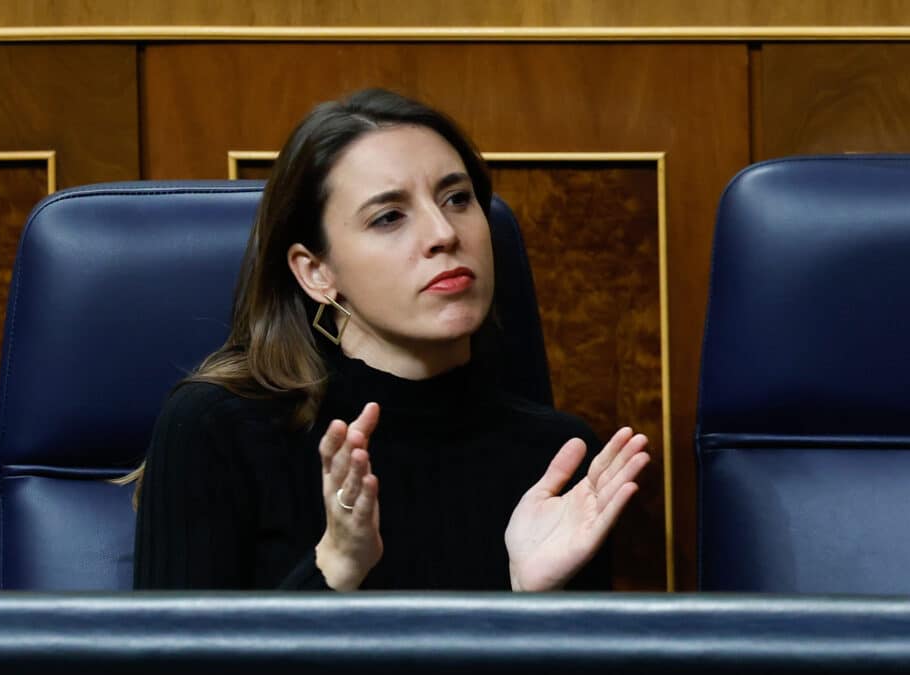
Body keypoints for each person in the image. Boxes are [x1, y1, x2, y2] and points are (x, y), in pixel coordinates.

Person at [131, 88, 650, 591]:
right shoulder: (216, 429)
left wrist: (534, 606)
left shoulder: (560, 457)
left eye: (457, 198)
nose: (444, 232)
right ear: (316, 272)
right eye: (389, 216)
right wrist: (334, 568)